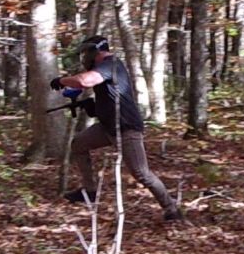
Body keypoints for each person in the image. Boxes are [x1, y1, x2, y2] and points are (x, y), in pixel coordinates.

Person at [51, 34, 182, 222]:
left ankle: (172, 209)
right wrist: (91, 106)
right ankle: (89, 191)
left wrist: (61, 80)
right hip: (108, 127)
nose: (84, 57)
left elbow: (84, 81)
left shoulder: (110, 64)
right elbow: (110, 97)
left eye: (86, 53)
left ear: (96, 51)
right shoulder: (105, 69)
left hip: (126, 128)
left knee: (141, 173)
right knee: (78, 144)